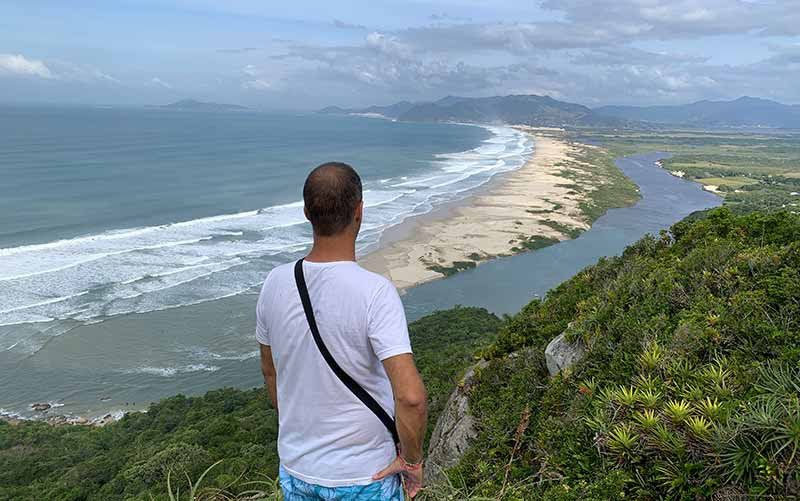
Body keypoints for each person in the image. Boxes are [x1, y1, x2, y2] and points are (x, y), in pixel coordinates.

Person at [257, 162, 428, 500]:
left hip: (297, 471)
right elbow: (410, 397)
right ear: (359, 211)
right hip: (364, 475)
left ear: (306, 213)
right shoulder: (375, 292)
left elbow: (270, 371)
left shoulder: (274, 283)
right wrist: (412, 461)